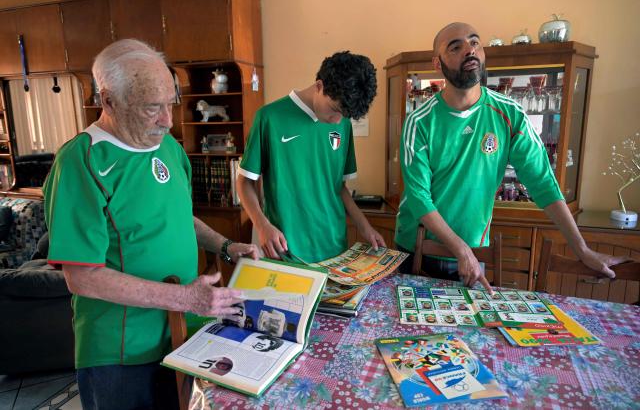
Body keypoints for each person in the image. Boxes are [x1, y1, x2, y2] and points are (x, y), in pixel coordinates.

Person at [43, 39, 259, 410]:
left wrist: (225, 245)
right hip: (120, 352)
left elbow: (177, 217)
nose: (167, 120)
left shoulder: (169, 148)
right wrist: (185, 297)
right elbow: (82, 276)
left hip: (182, 333)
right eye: (151, 108)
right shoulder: (81, 161)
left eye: (170, 104)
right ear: (107, 100)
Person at [395, 22, 628, 293]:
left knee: (470, 332)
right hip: (418, 248)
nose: (469, 51)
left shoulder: (510, 114)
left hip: (472, 249)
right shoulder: (420, 121)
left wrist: (582, 249)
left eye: (474, 43)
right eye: (455, 47)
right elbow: (419, 198)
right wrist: (461, 250)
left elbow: (542, 183)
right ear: (438, 63)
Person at [237, 51, 385, 263]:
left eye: (345, 116)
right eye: (334, 110)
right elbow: (244, 183)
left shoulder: (342, 123)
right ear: (319, 86)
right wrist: (262, 226)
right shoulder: (269, 118)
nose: (337, 121)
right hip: (287, 249)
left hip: (335, 248)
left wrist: (366, 227)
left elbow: (338, 187)